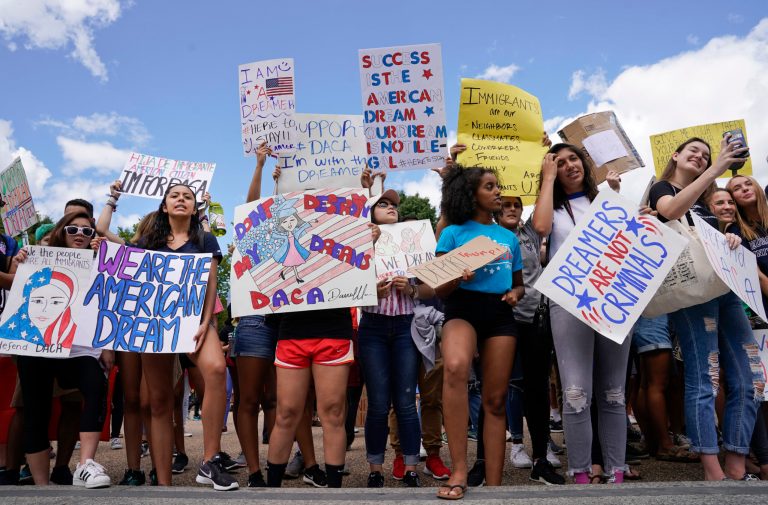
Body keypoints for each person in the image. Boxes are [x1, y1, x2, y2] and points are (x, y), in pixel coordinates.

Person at [649, 136, 760, 480]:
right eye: (693, 152)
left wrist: (732, 237)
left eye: (706, 154)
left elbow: (711, 236)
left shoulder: (708, 199)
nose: (700, 156)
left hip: (723, 287)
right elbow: (669, 211)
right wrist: (717, 166)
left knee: (752, 375)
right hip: (691, 295)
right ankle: (712, 467)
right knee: (706, 377)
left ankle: (737, 460)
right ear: (676, 155)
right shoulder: (661, 187)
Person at [532, 144, 632, 484]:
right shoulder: (552, 206)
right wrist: (546, 180)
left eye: (573, 158)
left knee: (614, 392)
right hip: (569, 303)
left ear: (585, 163)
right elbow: (541, 228)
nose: (569, 165)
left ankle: (616, 470)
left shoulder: (606, 200)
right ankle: (579, 471)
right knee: (575, 393)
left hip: (615, 300)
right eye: (559, 163)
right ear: (552, 171)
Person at [135, 184, 237, 490]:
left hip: (196, 322)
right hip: (156, 324)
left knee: (217, 370)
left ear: (195, 208)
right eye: (175, 196)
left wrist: (207, 322)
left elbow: (210, 286)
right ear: (164, 206)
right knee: (159, 401)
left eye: (187, 197)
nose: (181, 199)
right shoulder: (147, 242)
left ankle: (209, 461)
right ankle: (163, 482)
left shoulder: (205, 239)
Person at [434, 164, 524, 499]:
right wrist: (458, 274)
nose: (498, 191)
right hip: (462, 309)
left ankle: (495, 485)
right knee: (455, 367)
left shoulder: (509, 237)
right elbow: (439, 290)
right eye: (490, 187)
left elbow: (518, 285)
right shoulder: (453, 232)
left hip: (500, 316)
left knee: (496, 399)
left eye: (497, 186)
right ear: (471, 195)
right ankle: (458, 471)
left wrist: (516, 294)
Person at [11, 212, 114, 488]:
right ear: (61, 232)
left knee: (96, 386)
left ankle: (86, 465)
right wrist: (19, 263)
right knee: (36, 410)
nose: (80, 234)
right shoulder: (34, 257)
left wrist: (106, 345)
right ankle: (42, 486)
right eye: (73, 229)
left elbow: (106, 303)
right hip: (37, 346)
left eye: (87, 230)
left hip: (80, 349)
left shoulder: (102, 264)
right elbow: (17, 288)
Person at [359, 188, 432, 488]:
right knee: (377, 403)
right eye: (383, 204)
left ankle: (411, 467)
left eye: (394, 205)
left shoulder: (416, 239)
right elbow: (344, 281)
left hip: (405, 326)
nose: (391, 207)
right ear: (370, 212)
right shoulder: (359, 243)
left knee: (405, 401)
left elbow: (431, 286)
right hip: (373, 326)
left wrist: (412, 290)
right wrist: (369, 288)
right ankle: (375, 468)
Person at [231, 142, 277, 487]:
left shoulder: (299, 237)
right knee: (248, 399)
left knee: (277, 400)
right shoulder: (252, 235)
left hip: (289, 321)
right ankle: (253, 470)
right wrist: (259, 166)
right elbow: (251, 208)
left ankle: (273, 465)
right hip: (253, 320)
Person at [725, 174, 768, 479]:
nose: (743, 190)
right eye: (735, 189)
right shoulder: (735, 231)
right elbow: (753, 276)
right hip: (759, 316)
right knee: (762, 388)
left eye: (747, 184)